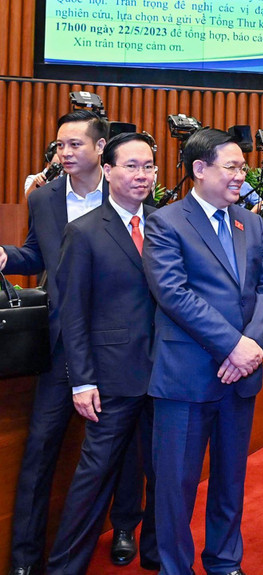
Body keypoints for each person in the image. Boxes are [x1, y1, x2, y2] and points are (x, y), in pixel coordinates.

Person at [0, 110, 145, 575]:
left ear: (101, 149)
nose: (63, 153)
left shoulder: (126, 189)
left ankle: (123, 529)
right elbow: (37, 255)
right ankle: (25, 559)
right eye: (59, 145)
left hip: (122, 346)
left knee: (126, 444)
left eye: (74, 144)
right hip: (63, 343)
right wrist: (6, 257)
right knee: (40, 450)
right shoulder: (43, 199)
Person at [142, 128, 263, 575]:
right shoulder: (166, 222)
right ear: (199, 170)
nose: (242, 175)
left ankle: (224, 561)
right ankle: (174, 568)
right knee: (175, 487)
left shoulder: (252, 222)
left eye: (244, 167)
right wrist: (232, 344)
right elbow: (173, 293)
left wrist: (251, 345)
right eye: (233, 167)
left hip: (240, 376)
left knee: (230, 480)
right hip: (186, 376)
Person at [47, 132, 160, 575]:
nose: (142, 175)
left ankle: (155, 554)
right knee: (92, 480)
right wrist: (82, 379)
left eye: (149, 166)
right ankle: (64, 567)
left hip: (165, 375)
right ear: (108, 171)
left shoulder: (167, 224)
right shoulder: (84, 231)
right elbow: (72, 312)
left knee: (164, 475)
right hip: (109, 380)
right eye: (131, 166)